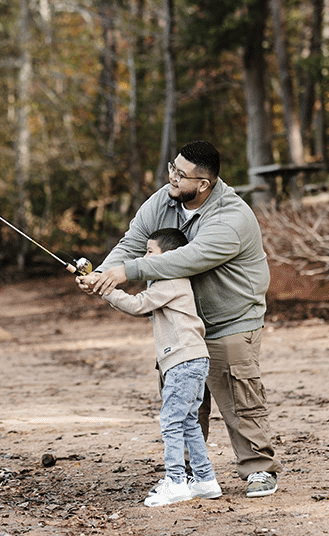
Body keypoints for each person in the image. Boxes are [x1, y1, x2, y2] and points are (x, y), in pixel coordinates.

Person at [77, 140, 282, 497]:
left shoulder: (232, 217)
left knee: (240, 399)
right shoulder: (164, 200)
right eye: (173, 167)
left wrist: (128, 272)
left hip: (230, 320)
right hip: (180, 324)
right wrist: (104, 273)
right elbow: (132, 242)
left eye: (180, 174)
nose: (171, 177)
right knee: (181, 398)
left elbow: (187, 259)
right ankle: (188, 471)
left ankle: (259, 468)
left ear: (203, 184)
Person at [98, 228, 221, 506]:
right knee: (188, 421)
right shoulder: (169, 283)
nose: (144, 258)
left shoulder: (172, 280)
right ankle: (205, 480)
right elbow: (140, 306)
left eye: (150, 252)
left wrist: (105, 288)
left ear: (170, 256)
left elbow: (137, 305)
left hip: (183, 361)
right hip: (192, 360)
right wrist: (106, 290)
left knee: (171, 421)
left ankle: (176, 482)